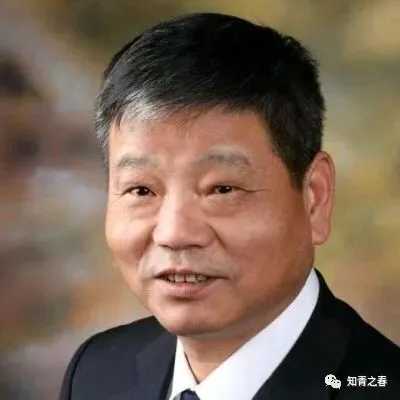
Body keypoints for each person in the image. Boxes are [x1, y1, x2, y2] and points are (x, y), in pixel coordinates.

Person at [60, 12, 399, 400]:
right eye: (141, 190)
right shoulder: (97, 372)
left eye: (221, 189)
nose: (174, 234)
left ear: (315, 197)